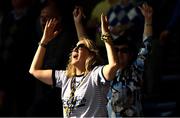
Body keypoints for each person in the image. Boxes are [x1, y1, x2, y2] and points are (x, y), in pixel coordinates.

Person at [29, 8, 119, 117]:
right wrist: (44, 42)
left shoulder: (95, 75)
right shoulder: (65, 77)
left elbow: (113, 65)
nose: (75, 49)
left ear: (91, 55)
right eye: (74, 48)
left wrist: (106, 36)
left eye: (79, 47)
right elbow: (34, 70)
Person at [107, 3, 153, 117]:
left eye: (123, 51)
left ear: (130, 54)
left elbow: (146, 45)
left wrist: (148, 20)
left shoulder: (136, 70)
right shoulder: (104, 73)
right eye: (116, 50)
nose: (119, 53)